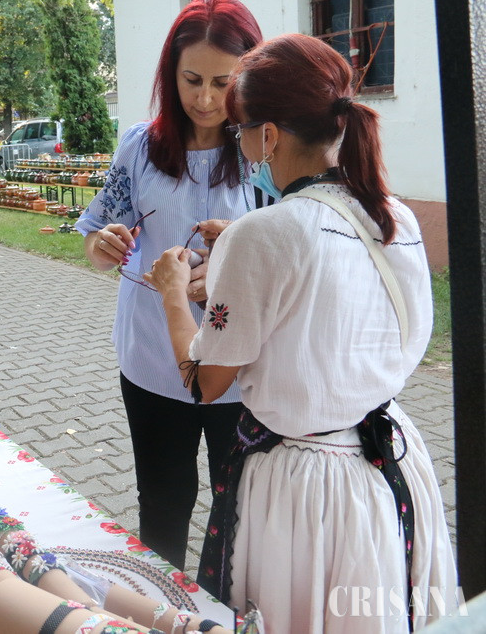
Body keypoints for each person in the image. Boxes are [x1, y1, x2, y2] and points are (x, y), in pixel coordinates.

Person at [147, 33, 457, 632]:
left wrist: (171, 291)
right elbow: (330, 300)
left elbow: (203, 382)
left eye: (241, 129)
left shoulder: (264, 233)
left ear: (268, 135)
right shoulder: (395, 215)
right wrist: (240, 255)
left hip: (305, 493)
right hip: (389, 465)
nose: (241, 144)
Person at [75, 0, 264, 571]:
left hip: (238, 369)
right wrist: (104, 243)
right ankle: (163, 606)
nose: (205, 99)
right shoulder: (140, 147)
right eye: (191, 80)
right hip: (154, 360)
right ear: (169, 73)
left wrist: (234, 260)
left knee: (240, 509)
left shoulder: (263, 150)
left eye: (222, 83)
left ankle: (225, 607)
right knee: (162, 501)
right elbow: (96, 243)